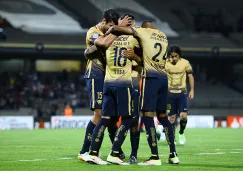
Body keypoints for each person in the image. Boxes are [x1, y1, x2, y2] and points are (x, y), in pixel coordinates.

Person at [105, 20, 179, 165]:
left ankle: (154, 157)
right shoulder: (163, 35)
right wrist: (136, 57)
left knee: (147, 117)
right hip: (164, 78)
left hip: (150, 78)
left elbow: (118, 29)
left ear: (143, 28)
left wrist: (114, 28)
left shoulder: (143, 32)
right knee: (163, 117)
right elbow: (149, 58)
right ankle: (173, 154)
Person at [86, 15, 141, 165]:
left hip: (108, 83)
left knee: (105, 119)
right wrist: (135, 56)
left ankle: (93, 153)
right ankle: (115, 153)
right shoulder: (134, 39)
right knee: (129, 118)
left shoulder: (108, 39)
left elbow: (88, 52)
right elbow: (144, 60)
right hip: (124, 83)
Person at [78, 9, 126, 161]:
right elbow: (104, 43)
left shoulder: (110, 32)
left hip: (109, 77)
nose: (112, 28)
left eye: (114, 26)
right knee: (99, 113)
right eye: (111, 25)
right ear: (104, 21)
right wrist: (118, 30)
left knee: (110, 116)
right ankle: (85, 151)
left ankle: (115, 151)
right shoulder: (93, 31)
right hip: (95, 75)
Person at [165, 45, 194, 145]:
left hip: (182, 93)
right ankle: (172, 138)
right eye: (171, 56)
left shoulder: (185, 63)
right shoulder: (165, 63)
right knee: (171, 118)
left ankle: (181, 132)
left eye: (175, 56)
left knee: (183, 116)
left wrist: (192, 90)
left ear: (179, 55)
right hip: (170, 93)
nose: (173, 58)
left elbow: (190, 76)